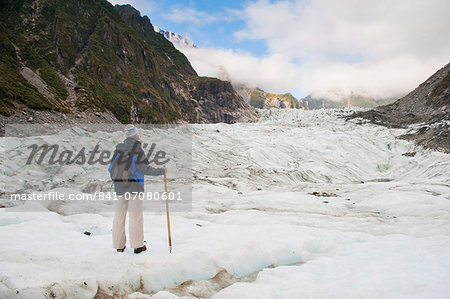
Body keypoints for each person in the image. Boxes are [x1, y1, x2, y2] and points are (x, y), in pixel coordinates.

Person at [111, 124, 165, 254]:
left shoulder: (118, 149)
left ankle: (119, 245)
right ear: (136, 136)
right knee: (135, 216)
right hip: (134, 187)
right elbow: (145, 169)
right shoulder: (137, 150)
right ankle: (138, 245)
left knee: (119, 215)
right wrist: (161, 171)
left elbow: (111, 168)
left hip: (120, 186)